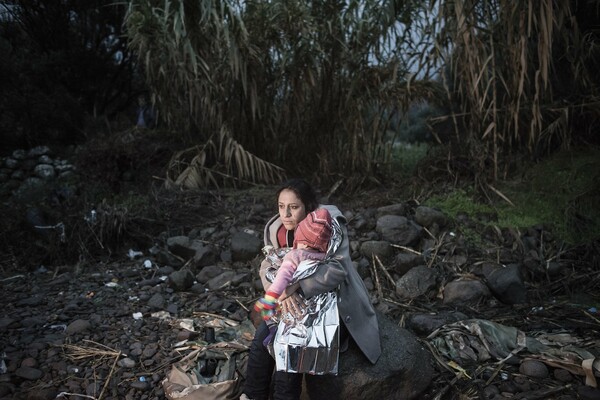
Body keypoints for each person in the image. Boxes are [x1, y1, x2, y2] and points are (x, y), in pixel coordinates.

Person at [241, 178, 381, 400]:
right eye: (281, 206)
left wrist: (295, 287)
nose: (285, 214)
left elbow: (337, 269)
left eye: (294, 207)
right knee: (262, 337)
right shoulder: (277, 228)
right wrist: (280, 294)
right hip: (289, 301)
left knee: (290, 342)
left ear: (308, 206)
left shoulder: (327, 224)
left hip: (332, 304)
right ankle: (252, 395)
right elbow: (268, 265)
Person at [253, 208, 333, 345]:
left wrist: (271, 296)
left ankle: (272, 334)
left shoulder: (296, 255)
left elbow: (283, 276)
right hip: (317, 310)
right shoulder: (324, 256)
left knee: (269, 318)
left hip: (291, 302)